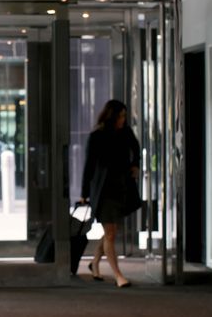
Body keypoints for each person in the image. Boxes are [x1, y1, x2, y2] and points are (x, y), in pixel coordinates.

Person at [79, 100, 140, 288]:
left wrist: (135, 165)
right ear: (112, 116)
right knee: (111, 233)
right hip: (104, 189)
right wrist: (84, 193)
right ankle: (118, 275)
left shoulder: (125, 132)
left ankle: (95, 262)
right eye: (121, 116)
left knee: (110, 232)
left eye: (125, 115)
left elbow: (136, 148)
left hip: (121, 187)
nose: (123, 119)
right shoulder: (97, 136)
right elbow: (89, 165)